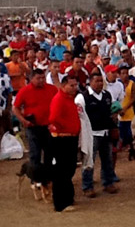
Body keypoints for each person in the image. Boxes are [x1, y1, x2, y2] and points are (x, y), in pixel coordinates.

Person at [76, 72, 119, 197]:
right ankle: (87, 186)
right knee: (89, 161)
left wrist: (113, 127)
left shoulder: (107, 95)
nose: (100, 83)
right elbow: (79, 116)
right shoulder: (82, 97)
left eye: (101, 81)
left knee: (107, 160)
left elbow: (111, 113)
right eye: (97, 81)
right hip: (91, 134)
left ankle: (108, 183)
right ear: (90, 82)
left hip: (105, 133)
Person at [12, 68, 58, 183]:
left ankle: (47, 179)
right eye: (38, 78)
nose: (41, 80)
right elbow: (15, 108)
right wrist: (23, 120)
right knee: (35, 154)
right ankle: (35, 179)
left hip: (49, 127)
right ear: (31, 78)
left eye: (43, 78)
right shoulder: (24, 91)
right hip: (33, 127)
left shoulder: (52, 89)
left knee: (49, 153)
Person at [48, 76, 81, 213]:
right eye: (71, 86)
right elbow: (53, 118)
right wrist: (66, 128)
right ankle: (61, 203)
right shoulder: (59, 99)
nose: (74, 88)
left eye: (75, 85)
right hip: (62, 139)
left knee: (69, 169)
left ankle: (68, 197)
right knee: (62, 170)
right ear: (64, 86)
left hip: (71, 137)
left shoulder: (70, 99)